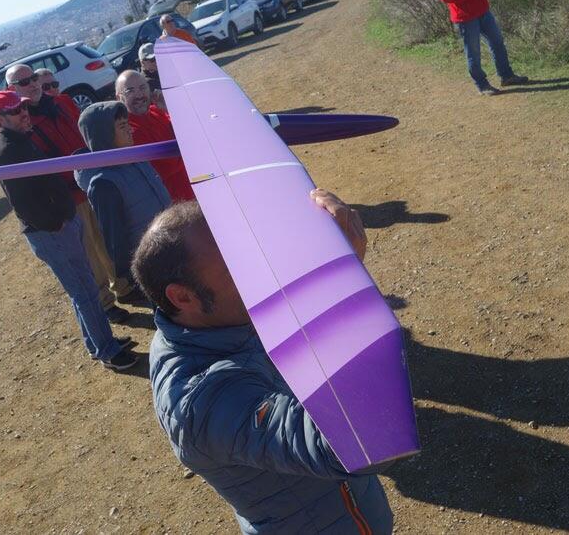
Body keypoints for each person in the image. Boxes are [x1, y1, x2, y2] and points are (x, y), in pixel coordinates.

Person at [132, 190, 393, 534]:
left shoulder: (216, 318)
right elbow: (355, 446)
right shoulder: (203, 399)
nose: (259, 270)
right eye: (237, 265)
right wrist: (343, 284)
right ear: (183, 296)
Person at [0, 90, 138, 372]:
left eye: (23, 108)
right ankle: (107, 350)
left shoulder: (21, 139)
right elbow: (22, 204)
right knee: (84, 292)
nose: (23, 114)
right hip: (51, 233)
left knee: (85, 289)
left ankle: (99, 343)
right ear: (0, 119)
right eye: (14, 111)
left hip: (61, 225)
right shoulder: (7, 152)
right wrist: (57, 223)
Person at [5, 64, 128, 311]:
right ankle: (105, 302)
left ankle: (123, 286)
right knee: (88, 249)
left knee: (107, 237)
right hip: (68, 193)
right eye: (24, 82)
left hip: (93, 181)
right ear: (11, 89)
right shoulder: (23, 122)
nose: (33, 84)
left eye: (33, 78)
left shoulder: (62, 103)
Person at [74, 101, 171, 305]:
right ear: (105, 135)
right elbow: (114, 236)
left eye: (127, 124)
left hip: (171, 244)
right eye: (121, 126)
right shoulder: (104, 183)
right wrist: (130, 273)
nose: (129, 129)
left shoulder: (136, 157)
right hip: (151, 259)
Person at [115, 70, 193, 201]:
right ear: (119, 97)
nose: (139, 95)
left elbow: (192, 134)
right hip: (173, 205)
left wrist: (169, 108)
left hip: (196, 192)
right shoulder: (126, 130)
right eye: (130, 90)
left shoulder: (158, 110)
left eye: (142, 87)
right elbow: (168, 166)